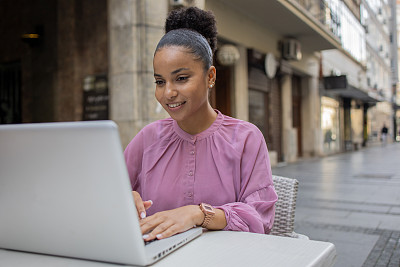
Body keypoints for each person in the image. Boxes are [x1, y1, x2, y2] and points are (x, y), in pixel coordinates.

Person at [124, 7, 277, 242]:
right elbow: (110, 193)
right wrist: (127, 198)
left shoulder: (246, 138)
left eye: (181, 78)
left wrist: (197, 214)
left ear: (210, 77)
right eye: (159, 81)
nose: (168, 92)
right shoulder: (148, 137)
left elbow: (260, 218)